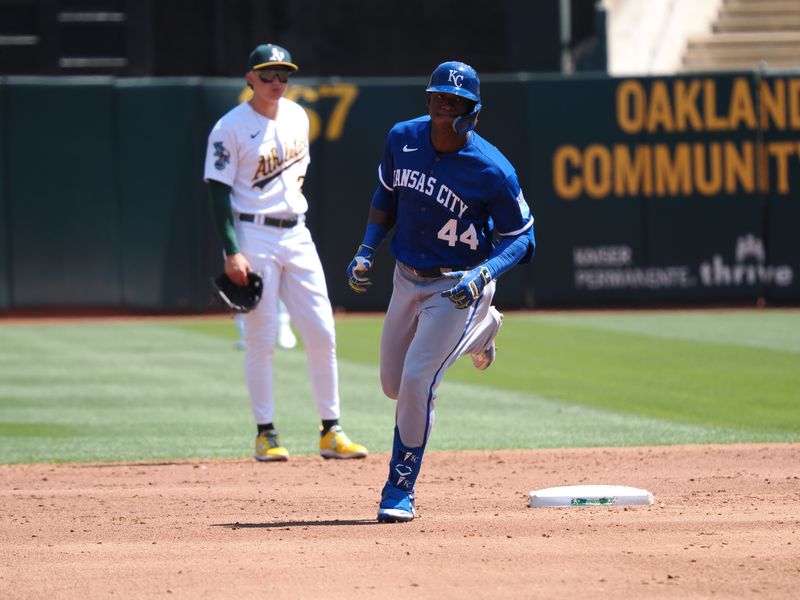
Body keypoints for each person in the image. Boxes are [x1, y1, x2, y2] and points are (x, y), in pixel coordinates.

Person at [346, 61, 535, 522]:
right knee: (393, 384)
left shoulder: (493, 170)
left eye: (455, 104)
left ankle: (399, 488)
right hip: (406, 277)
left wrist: (486, 273)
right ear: (427, 100)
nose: (443, 110)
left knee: (417, 382)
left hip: (457, 286)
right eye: (438, 100)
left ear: (473, 113)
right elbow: (385, 197)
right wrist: (367, 248)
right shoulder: (402, 138)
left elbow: (524, 238)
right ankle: (484, 330)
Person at [205, 42, 368, 462]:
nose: (277, 81)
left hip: (296, 232)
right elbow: (219, 194)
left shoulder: (297, 116)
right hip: (253, 234)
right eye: (268, 74)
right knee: (261, 339)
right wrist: (232, 250)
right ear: (250, 78)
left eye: (283, 74)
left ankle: (331, 430)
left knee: (322, 332)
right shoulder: (229, 128)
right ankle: (265, 433)